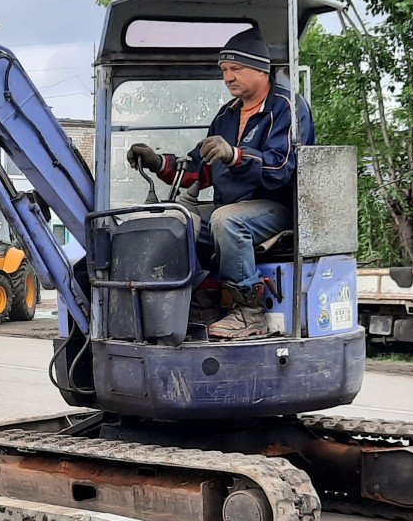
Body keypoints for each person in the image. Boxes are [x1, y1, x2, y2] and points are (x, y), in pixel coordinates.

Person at [126, 27, 314, 339]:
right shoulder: (226, 116)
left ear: (259, 69)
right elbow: (198, 169)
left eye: (235, 69)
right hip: (230, 207)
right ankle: (203, 301)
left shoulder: (287, 108)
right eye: (224, 70)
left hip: (276, 207)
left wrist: (236, 155)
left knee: (225, 220)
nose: (228, 77)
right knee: (176, 221)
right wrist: (158, 163)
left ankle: (250, 311)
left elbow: (282, 167)